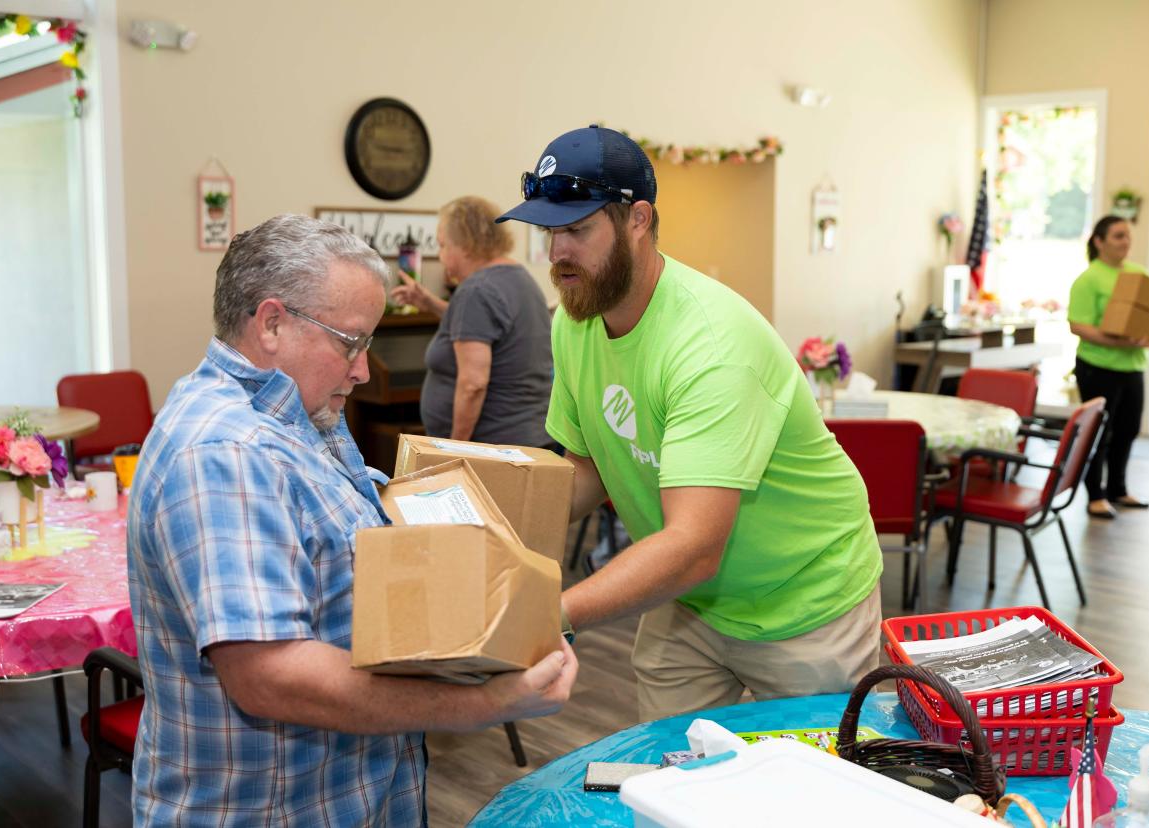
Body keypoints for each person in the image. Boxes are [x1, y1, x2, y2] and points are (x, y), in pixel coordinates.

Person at [127, 214, 577, 826]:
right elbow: (270, 676)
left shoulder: (298, 413)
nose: (362, 370)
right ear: (272, 323)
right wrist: (478, 703)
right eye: (350, 342)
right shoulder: (225, 452)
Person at [497, 126, 883, 721]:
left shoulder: (710, 344)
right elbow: (588, 468)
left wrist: (550, 612)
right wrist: (486, 513)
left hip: (804, 598)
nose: (557, 254)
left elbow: (694, 547)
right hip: (693, 601)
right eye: (549, 232)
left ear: (638, 220)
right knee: (676, 779)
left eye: (577, 230)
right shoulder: (576, 320)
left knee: (816, 787)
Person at [390, 196, 554, 447]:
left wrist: (456, 448)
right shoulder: (518, 278)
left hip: (492, 449)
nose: (441, 256)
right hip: (529, 440)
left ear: (465, 244)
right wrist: (430, 303)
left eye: (443, 245)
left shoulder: (476, 290)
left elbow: (473, 384)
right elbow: (482, 329)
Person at [1067, 215, 1149, 519]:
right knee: (1098, 432)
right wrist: (1116, 342)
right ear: (1099, 242)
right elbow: (1078, 325)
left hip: (1132, 365)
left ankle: (1118, 489)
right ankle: (1094, 495)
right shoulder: (1089, 280)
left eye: (1127, 235)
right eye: (1117, 236)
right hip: (1098, 366)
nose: (1126, 241)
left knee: (1128, 429)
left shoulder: (1139, 274)